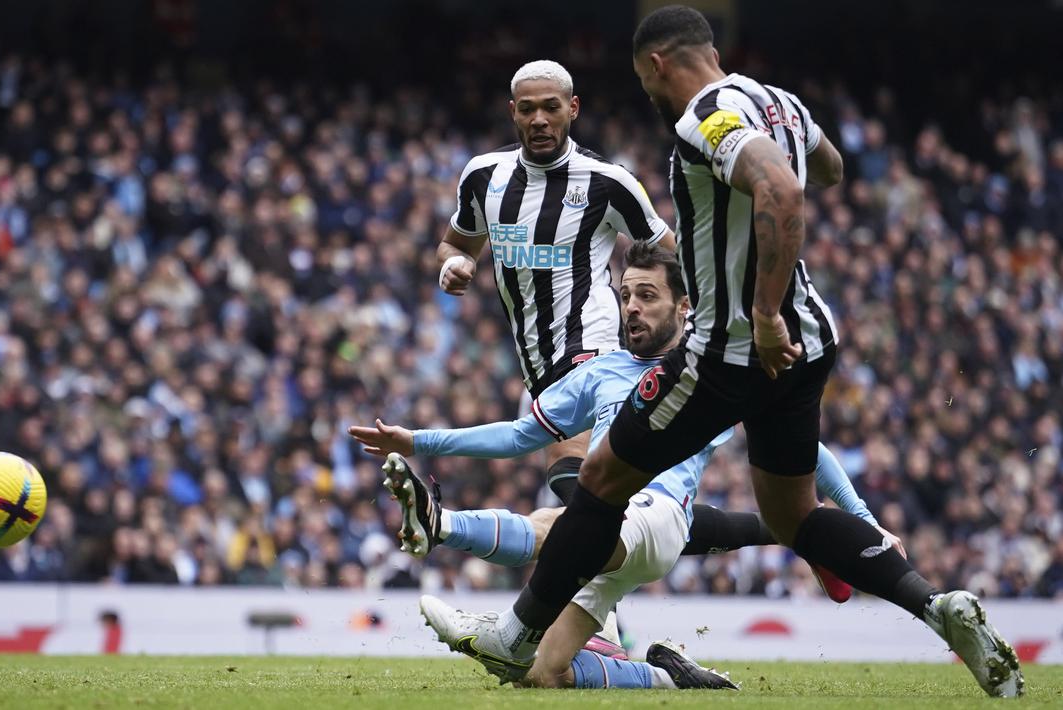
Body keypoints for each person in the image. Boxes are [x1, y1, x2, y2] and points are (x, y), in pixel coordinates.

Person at [418, 6, 1023, 698]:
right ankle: (936, 607)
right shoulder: (780, 102)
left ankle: (516, 633)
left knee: (600, 476)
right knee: (791, 516)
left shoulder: (704, 115)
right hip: (807, 342)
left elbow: (783, 186)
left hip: (736, 344)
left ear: (656, 65)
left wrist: (761, 311)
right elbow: (825, 167)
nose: (648, 99)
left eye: (644, 84)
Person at [351, 242, 888, 690]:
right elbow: (518, 436)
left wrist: (858, 513)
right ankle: (668, 679)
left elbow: (806, 450)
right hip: (613, 522)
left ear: (684, 307)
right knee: (544, 675)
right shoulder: (602, 372)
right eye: (626, 295)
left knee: (572, 523)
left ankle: (443, 525)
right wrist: (418, 440)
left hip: (656, 519)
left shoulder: (711, 370)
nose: (631, 307)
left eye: (647, 296)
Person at [437, 59, 675, 508]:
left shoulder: (609, 182)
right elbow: (455, 245)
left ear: (573, 108)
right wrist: (453, 265)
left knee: (581, 482)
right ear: (513, 112)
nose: (539, 119)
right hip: (535, 357)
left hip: (592, 340)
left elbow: (670, 254)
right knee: (593, 498)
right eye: (527, 109)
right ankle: (765, 529)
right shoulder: (484, 176)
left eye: (551, 107)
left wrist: (659, 316)